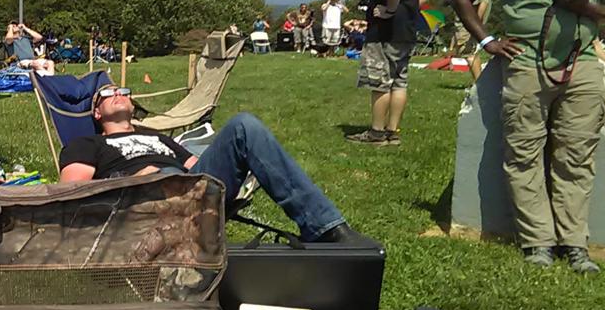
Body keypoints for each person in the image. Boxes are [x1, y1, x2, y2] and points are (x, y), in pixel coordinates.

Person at [451, 0, 605, 274]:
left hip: (583, 65)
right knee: (524, 154)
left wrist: (586, 9)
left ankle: (575, 243)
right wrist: (488, 40)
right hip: (526, 64)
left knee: (576, 156)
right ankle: (537, 242)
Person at [58, 84, 377, 246]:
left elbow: (199, 165)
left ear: (131, 105)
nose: (117, 93)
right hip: (142, 201)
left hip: (192, 188)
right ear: (97, 114)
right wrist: (134, 181)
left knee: (244, 125)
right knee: (167, 175)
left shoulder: (161, 139)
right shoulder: (87, 144)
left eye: (123, 91)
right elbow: (74, 192)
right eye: (107, 93)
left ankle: (325, 229)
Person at [348, 0, 435, 145]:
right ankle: (392, 132)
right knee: (399, 82)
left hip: (384, 33)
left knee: (380, 83)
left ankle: (376, 133)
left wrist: (391, 10)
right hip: (406, 32)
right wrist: (410, 7)